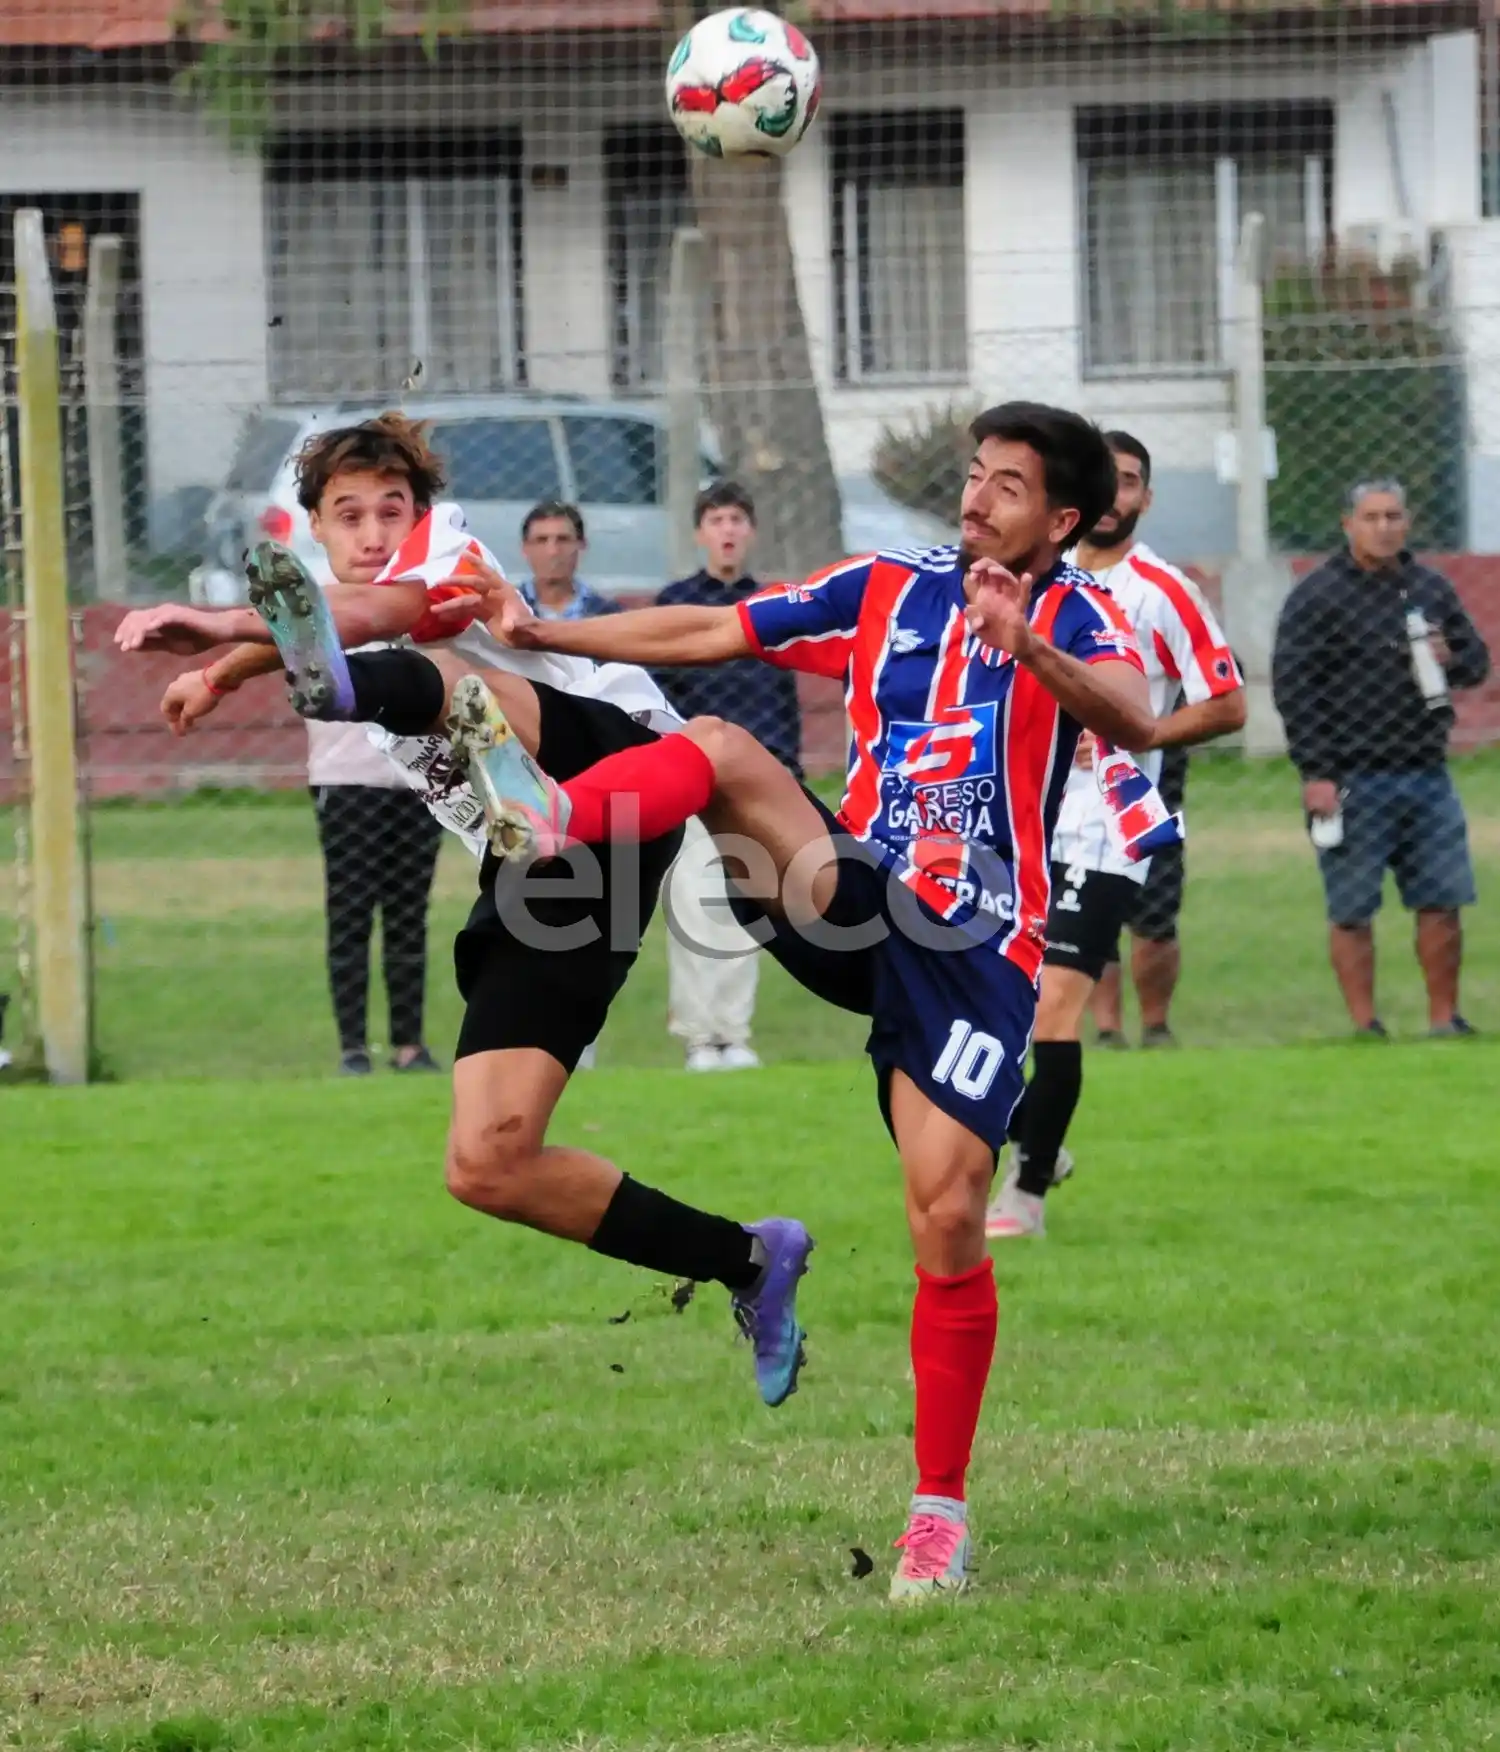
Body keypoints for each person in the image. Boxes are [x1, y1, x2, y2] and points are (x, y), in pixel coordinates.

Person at [448, 402, 1157, 1600]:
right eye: (975, 475)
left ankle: (939, 1512)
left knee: (945, 1217)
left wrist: (1023, 644)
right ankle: (556, 815)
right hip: (853, 891)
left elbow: (1136, 717)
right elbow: (720, 625)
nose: (977, 497)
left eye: (1010, 487)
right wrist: (547, 626)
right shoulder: (893, 581)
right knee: (722, 747)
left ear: (1066, 518)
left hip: (978, 946)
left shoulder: (1082, 616)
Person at [114, 413, 816, 1412]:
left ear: (421, 513)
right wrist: (228, 669)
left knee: (447, 683)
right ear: (313, 527)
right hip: (545, 852)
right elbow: (341, 618)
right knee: (488, 1163)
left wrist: (234, 634)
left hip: (618, 756)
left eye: (388, 510)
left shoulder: (444, 555)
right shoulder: (347, 595)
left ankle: (358, 700)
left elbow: (367, 617)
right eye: (346, 516)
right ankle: (749, 1261)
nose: (371, 531)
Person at [984, 430, 1245, 1240]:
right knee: (1004, 1005)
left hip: (1106, 826)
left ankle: (1024, 1194)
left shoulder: (1161, 590)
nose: (1117, 494)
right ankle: (1041, 1139)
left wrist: (1143, 734)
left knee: (1058, 1005)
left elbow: (1227, 703)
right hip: (1020, 818)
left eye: (1131, 481)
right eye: (1106, 480)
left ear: (1144, 497)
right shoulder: (1028, 585)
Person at [1272, 478, 1490, 1037]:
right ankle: (1364, 1024)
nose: (1384, 527)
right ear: (1348, 525)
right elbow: (1294, 689)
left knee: (1442, 901)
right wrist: (1315, 773)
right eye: (1372, 517)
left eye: (1394, 516)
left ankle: (1445, 1018)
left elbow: (1476, 663)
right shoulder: (1316, 596)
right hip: (1349, 776)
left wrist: (1451, 654)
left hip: (1426, 772)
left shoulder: (1430, 588)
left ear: (1408, 523)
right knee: (1352, 909)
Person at [655, 483, 803, 1072]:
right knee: (692, 901)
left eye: (737, 519)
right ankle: (699, 1035)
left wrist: (786, 764)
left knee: (746, 902)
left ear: (751, 531)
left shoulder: (770, 610)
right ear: (700, 532)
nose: (727, 531)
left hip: (758, 781)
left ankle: (733, 1032)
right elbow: (661, 696)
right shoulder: (677, 603)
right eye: (717, 519)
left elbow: (783, 698)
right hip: (693, 774)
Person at [307, 714, 444, 1077]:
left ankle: (410, 1046)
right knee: (349, 913)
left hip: (420, 772)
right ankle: (353, 1049)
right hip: (347, 775)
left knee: (409, 915)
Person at [1088, 739, 1189, 1049]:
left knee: (1156, 914)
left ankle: (1156, 1027)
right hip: (1077, 794)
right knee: (1091, 917)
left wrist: (1143, 733)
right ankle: (1108, 1031)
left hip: (1150, 785)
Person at [516, 501, 620, 621]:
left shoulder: (608, 615)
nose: (553, 551)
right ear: (525, 548)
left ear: (581, 545)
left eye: (563, 540)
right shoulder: (505, 610)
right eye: (541, 540)